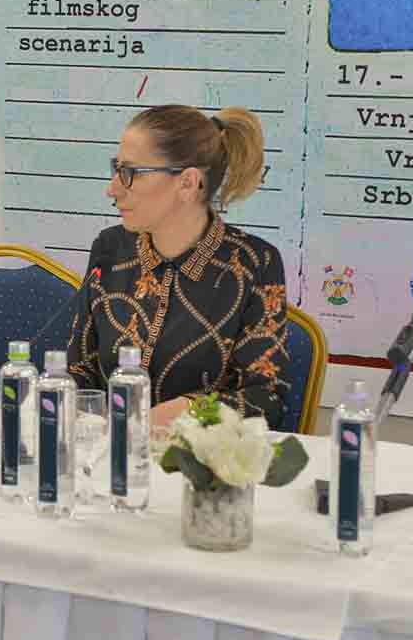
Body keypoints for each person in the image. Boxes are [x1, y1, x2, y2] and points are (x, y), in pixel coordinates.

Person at [67, 105, 289, 430]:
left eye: (130, 172)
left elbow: (267, 399)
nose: (112, 188)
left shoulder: (256, 263)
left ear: (187, 182)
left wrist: (190, 411)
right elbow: (79, 372)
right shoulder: (110, 248)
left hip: (202, 458)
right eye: (116, 168)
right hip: (109, 452)